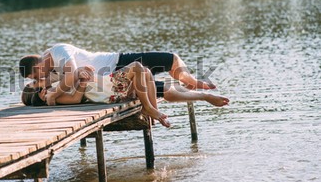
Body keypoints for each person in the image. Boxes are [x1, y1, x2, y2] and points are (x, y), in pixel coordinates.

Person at [19, 43, 228, 106]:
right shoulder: (50, 76)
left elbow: (72, 75)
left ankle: (192, 82)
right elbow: (38, 91)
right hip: (111, 82)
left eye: (35, 77)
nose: (38, 81)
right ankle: (203, 96)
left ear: (38, 67)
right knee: (161, 89)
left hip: (117, 63)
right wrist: (44, 90)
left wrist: (53, 94)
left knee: (171, 59)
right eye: (35, 81)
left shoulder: (59, 51)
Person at [29, 62, 171, 128]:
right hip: (106, 90)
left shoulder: (54, 92)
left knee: (145, 71)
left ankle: (152, 108)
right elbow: (75, 98)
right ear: (39, 94)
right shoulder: (51, 95)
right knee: (137, 67)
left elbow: (73, 85)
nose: (38, 81)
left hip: (106, 85)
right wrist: (80, 77)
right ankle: (148, 108)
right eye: (35, 84)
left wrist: (82, 73)